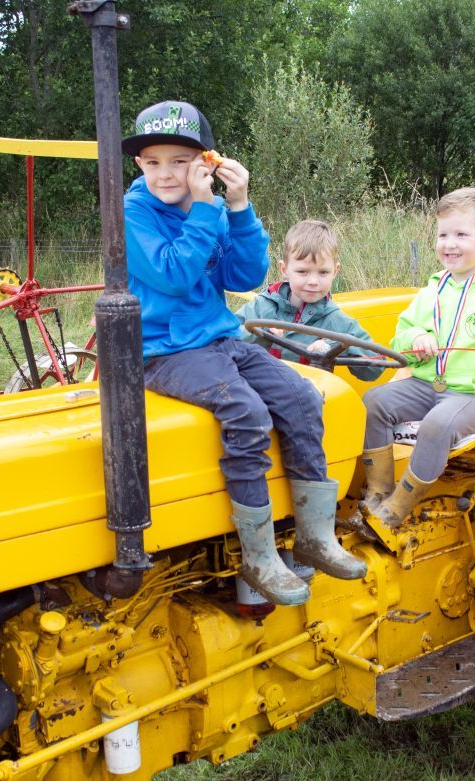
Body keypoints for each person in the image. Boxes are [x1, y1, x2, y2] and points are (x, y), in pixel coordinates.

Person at [122, 100, 366, 606]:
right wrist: (208, 208)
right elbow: (172, 272)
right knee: (247, 412)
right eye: (153, 162)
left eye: (180, 161)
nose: (166, 173)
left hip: (218, 338)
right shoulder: (133, 213)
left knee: (301, 397)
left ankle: (315, 536)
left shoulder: (207, 205)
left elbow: (244, 276)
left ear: (205, 162)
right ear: (138, 165)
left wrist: (238, 205)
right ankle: (257, 553)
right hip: (162, 349)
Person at [360, 187, 475, 529]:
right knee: (374, 401)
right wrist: (417, 337)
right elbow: (402, 332)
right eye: (443, 234)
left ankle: (399, 505)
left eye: (461, 234)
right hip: (427, 383)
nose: (450, 244)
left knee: (438, 424)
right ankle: (377, 490)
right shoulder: (433, 289)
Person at [236, 219, 383, 381]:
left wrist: (337, 345)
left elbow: (375, 369)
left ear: (335, 271)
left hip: (311, 399)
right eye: (303, 271)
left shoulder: (338, 322)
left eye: (323, 272)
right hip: (254, 390)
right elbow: (222, 342)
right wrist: (258, 334)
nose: (313, 281)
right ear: (284, 269)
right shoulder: (260, 308)